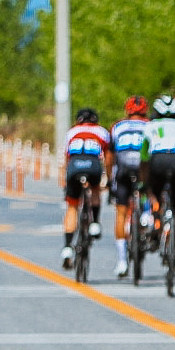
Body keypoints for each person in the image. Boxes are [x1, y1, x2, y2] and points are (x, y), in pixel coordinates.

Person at [140, 95, 175, 276]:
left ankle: (156, 220)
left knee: (153, 192)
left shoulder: (150, 126)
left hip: (157, 162)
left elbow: (144, 159)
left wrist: (145, 185)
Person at [61, 107, 113, 270]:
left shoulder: (71, 132)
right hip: (93, 166)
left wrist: (65, 180)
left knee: (72, 206)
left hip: (74, 167)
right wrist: (109, 178)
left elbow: (66, 157)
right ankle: (95, 223)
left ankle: (68, 247)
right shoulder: (102, 131)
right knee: (96, 190)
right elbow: (108, 156)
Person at [109, 95, 153, 271]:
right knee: (149, 187)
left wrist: (110, 176)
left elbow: (111, 154)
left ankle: (121, 260)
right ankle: (147, 213)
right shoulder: (150, 125)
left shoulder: (117, 126)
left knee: (120, 212)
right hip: (142, 168)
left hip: (123, 170)